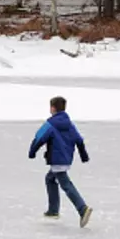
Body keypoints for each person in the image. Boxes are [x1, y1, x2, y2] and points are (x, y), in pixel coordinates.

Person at [28, 96, 93, 226]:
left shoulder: (50, 124)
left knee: (65, 184)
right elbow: (79, 140)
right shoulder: (69, 124)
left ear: (52, 108)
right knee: (50, 179)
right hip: (66, 158)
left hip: (57, 159)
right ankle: (53, 210)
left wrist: (32, 151)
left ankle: (82, 208)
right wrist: (83, 155)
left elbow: (39, 138)